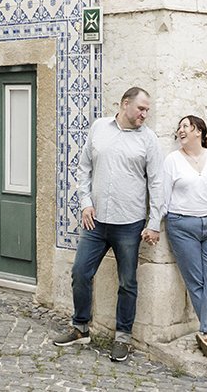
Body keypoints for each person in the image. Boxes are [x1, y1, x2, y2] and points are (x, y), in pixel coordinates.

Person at [53, 86, 166, 362]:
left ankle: (123, 337)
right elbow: (83, 168)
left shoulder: (148, 139)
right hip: (96, 222)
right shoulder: (99, 127)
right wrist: (85, 202)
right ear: (124, 104)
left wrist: (153, 223)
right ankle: (80, 327)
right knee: (80, 273)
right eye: (141, 108)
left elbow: (157, 182)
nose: (144, 114)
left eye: (147, 110)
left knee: (127, 282)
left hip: (129, 223)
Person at [163, 114, 207, 359]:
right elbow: (163, 197)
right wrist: (153, 225)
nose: (181, 130)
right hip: (181, 226)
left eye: (186, 126)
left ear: (199, 132)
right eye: (179, 127)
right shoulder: (172, 160)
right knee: (196, 280)